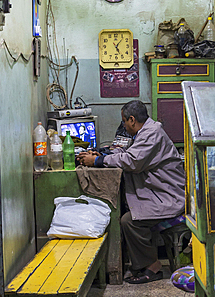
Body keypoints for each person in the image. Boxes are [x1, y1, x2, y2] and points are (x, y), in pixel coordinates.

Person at [76, 100, 185, 284]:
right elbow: (130, 153)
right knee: (130, 215)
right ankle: (143, 264)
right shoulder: (147, 132)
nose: (125, 125)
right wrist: (103, 156)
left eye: (125, 121)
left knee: (129, 221)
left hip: (169, 197)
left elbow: (133, 161)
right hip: (158, 193)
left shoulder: (152, 133)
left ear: (132, 120)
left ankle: (153, 266)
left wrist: (97, 162)